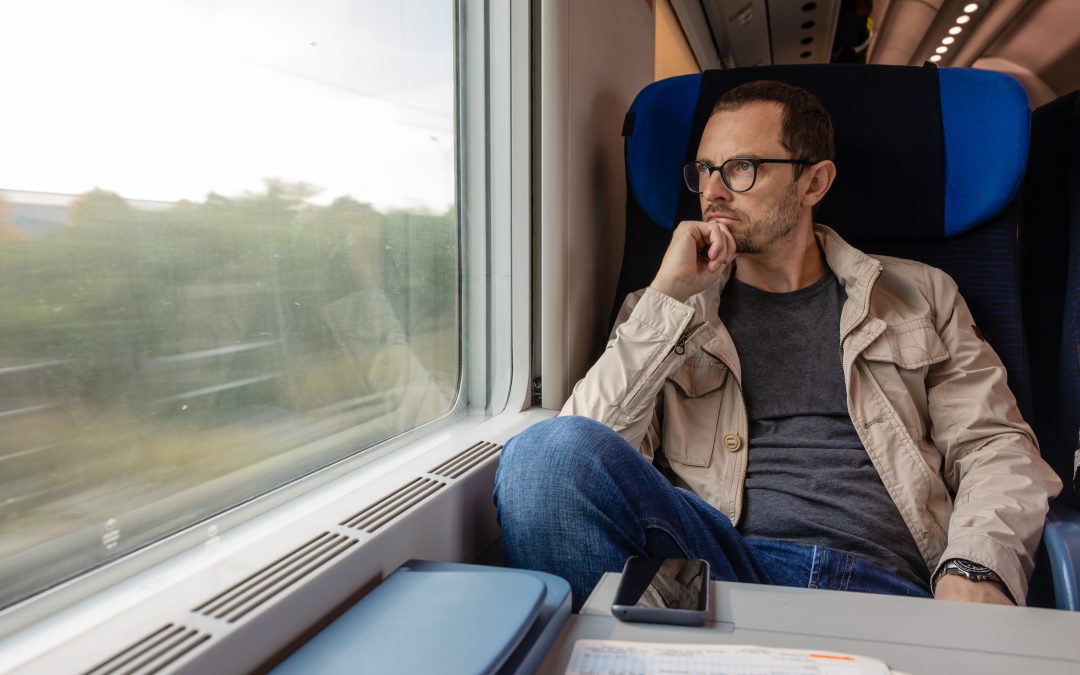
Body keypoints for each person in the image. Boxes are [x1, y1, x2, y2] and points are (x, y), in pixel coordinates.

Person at [493, 80, 1062, 611]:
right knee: (540, 454)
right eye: (705, 169)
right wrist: (668, 298)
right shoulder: (665, 309)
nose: (712, 192)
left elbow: (993, 445)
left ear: (814, 182)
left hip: (884, 585)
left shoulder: (919, 293)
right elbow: (577, 460)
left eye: (741, 168)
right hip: (720, 577)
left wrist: (976, 568)